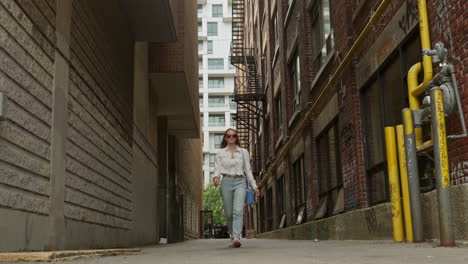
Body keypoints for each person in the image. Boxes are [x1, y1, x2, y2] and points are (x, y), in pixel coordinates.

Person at [213, 128, 260, 248]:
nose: (231, 138)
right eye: (228, 136)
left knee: (238, 211)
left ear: (236, 137)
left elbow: (248, 170)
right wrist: (216, 178)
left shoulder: (243, 152)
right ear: (225, 138)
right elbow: (217, 168)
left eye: (233, 136)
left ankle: (237, 237)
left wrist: (254, 186)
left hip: (240, 181)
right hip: (226, 182)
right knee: (229, 213)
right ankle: (232, 234)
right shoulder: (220, 153)